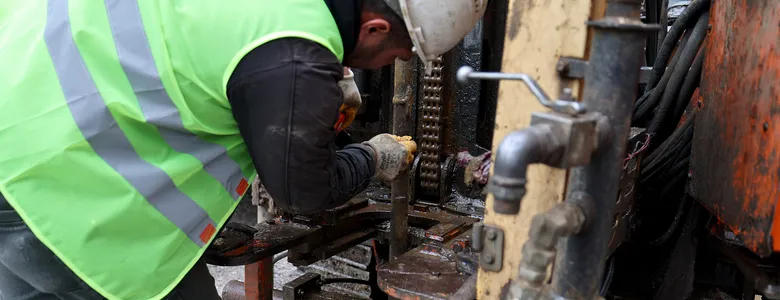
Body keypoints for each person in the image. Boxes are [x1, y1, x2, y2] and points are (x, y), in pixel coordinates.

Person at [0, 0, 487, 299]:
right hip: (65, 196)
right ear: (375, 28)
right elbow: (304, 192)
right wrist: (374, 156)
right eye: (400, 54)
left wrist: (325, 72)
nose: (391, 63)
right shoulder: (295, 54)